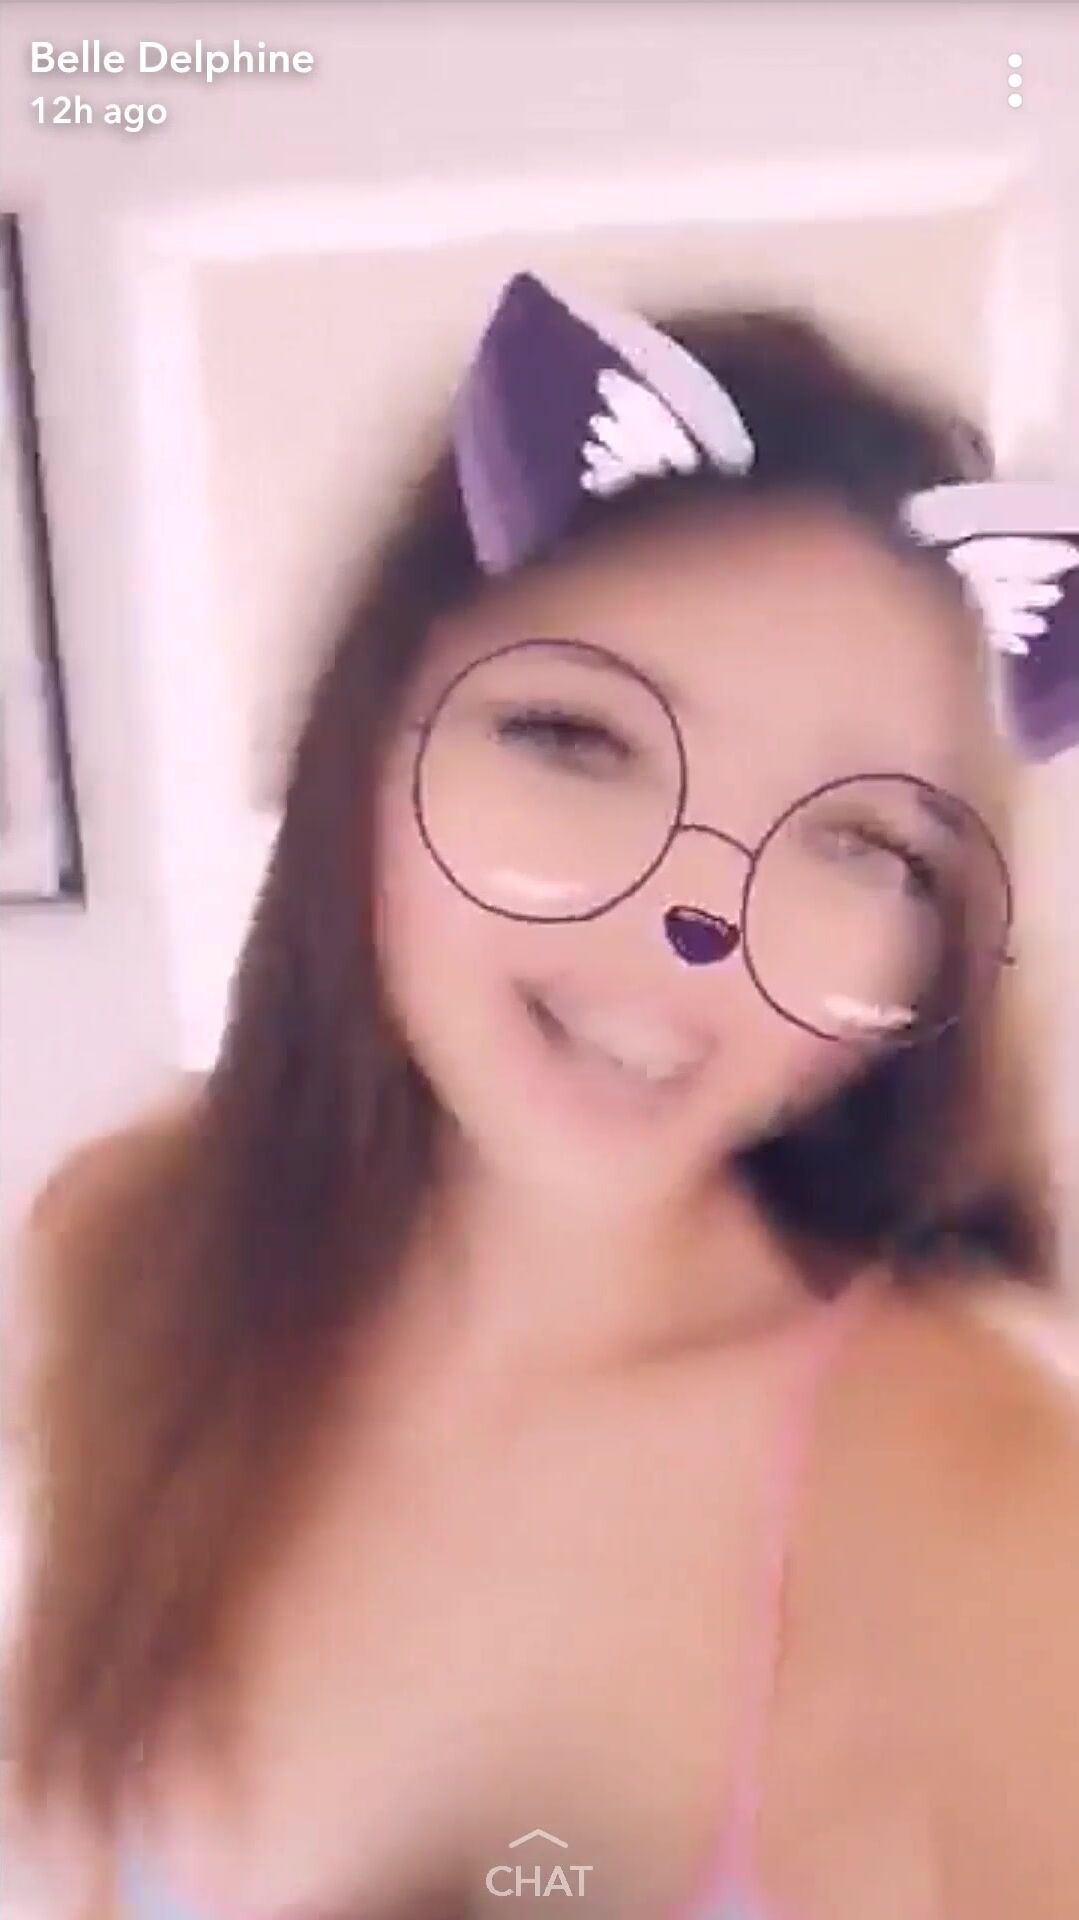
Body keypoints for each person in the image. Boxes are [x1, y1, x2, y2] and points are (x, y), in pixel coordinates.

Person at [4, 272, 1079, 1920]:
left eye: (861, 839)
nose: (698, 918)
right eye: (579, 740)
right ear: (372, 733)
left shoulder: (972, 1489)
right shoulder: (122, 1252)